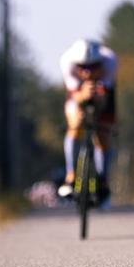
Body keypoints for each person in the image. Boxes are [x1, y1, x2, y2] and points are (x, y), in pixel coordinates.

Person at [57, 38, 118, 206]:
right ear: (76, 65)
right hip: (77, 91)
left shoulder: (110, 61)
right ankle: (71, 175)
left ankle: (102, 178)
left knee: (103, 133)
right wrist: (83, 97)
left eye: (93, 67)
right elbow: (74, 96)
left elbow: (104, 97)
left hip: (103, 92)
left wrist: (97, 99)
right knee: (75, 125)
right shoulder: (67, 62)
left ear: (101, 63)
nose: (87, 72)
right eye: (83, 67)